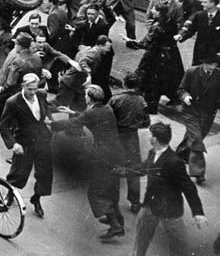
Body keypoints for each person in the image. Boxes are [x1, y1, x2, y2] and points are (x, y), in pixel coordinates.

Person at [115, 122, 207, 256]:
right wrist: (123, 171)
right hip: (150, 205)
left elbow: (189, 187)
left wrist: (198, 212)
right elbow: (145, 167)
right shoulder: (153, 152)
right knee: (141, 238)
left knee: (178, 244)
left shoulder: (174, 162)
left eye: (150, 135)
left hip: (170, 210)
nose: (148, 137)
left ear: (155, 139)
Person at [53, 85, 124, 240]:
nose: (84, 97)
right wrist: (72, 112)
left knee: (97, 191)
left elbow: (74, 123)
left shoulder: (92, 112)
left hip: (102, 156)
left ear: (89, 98)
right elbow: (90, 117)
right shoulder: (107, 109)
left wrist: (50, 125)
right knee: (112, 188)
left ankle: (115, 226)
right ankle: (118, 219)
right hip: (116, 154)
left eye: (86, 95)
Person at [0, 73, 52, 218]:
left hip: (42, 140)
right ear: (23, 86)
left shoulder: (41, 94)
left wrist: (48, 118)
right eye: (30, 89)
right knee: (18, 172)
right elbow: (3, 126)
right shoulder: (13, 102)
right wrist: (13, 144)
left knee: (44, 174)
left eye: (35, 89)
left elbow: (46, 109)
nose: (33, 92)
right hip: (24, 142)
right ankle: (10, 194)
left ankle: (37, 199)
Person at [123, 2, 184, 114]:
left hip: (153, 57)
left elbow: (145, 43)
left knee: (145, 81)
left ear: (159, 12)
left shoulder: (156, 27)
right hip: (171, 56)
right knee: (166, 81)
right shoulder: (171, 22)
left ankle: (141, 107)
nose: (151, 11)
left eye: (154, 10)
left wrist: (130, 41)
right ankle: (170, 99)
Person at [108, 72, 150, 214]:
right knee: (133, 169)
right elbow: (146, 123)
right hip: (132, 137)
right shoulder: (142, 101)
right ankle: (135, 202)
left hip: (116, 136)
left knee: (112, 167)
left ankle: (111, 201)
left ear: (124, 84)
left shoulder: (115, 99)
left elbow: (107, 119)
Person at [175, 53, 220, 184]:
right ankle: (198, 172)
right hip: (191, 111)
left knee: (196, 136)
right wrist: (185, 96)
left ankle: (181, 153)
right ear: (203, 63)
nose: (212, 67)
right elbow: (181, 89)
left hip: (208, 114)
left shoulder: (218, 74)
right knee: (196, 139)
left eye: (215, 64)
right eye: (210, 64)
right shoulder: (192, 71)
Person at [54, 35, 113, 114]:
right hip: (71, 83)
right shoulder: (94, 54)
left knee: (78, 107)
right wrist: (88, 74)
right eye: (108, 47)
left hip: (76, 84)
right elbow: (82, 62)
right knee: (59, 104)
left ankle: (74, 124)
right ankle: (42, 112)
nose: (109, 50)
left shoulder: (88, 49)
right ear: (100, 45)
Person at [175, 0, 220, 66]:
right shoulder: (199, 15)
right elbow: (191, 30)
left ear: (213, 4)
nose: (202, 4)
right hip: (200, 50)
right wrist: (182, 36)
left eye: (205, 2)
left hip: (215, 51)